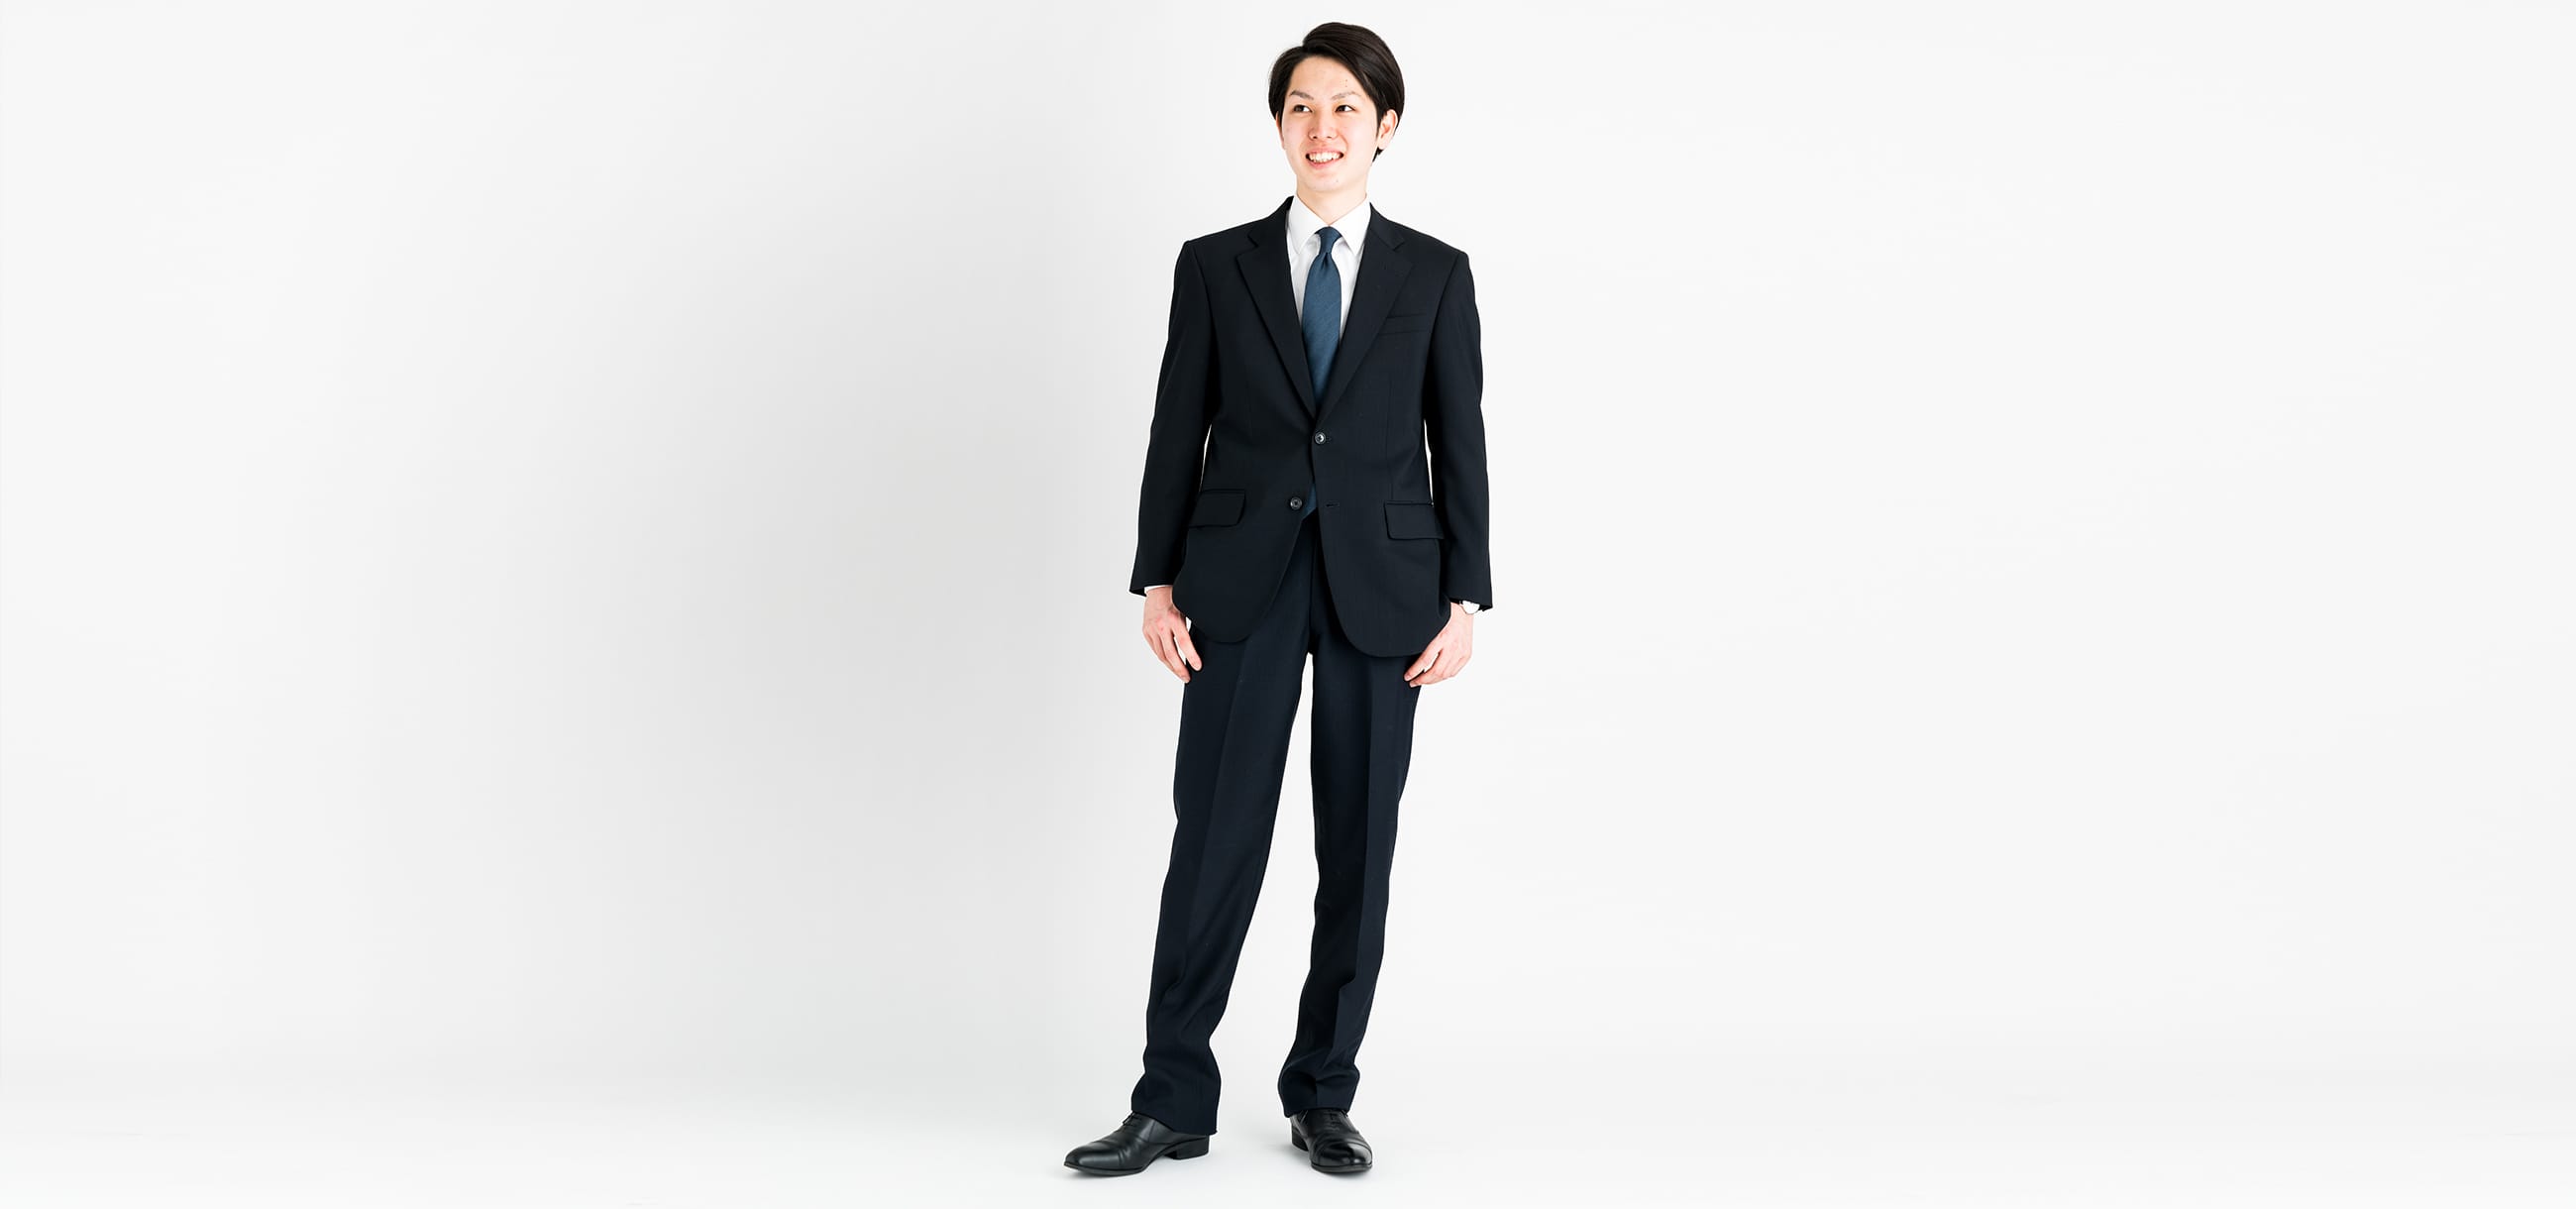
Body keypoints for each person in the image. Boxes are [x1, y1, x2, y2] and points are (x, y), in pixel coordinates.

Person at [1063, 21, 1493, 1178]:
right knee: (1212, 838)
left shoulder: (1434, 273)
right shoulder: (1215, 265)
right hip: (1237, 583)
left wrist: (1463, 596)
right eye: (1302, 106)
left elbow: (1457, 439)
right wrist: (1156, 578)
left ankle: (1322, 1091)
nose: (1322, 127)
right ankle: (1170, 1097)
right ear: (1277, 123)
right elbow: (1176, 426)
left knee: (1357, 849)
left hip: (1386, 591)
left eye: (1345, 107)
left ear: (1384, 126)